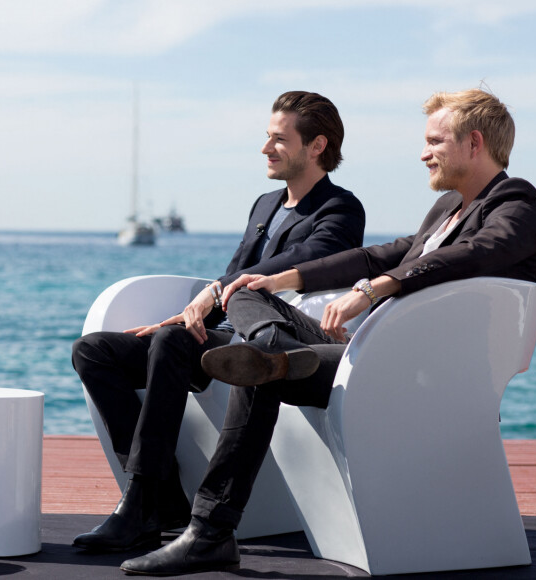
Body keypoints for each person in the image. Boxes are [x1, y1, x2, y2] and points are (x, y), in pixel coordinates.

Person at [119, 88, 536, 576]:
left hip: (420, 371)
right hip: (370, 354)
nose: (423, 153)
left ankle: (211, 530)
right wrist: (284, 279)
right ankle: (270, 349)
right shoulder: (449, 206)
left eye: (434, 141)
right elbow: (380, 253)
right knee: (243, 292)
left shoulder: (516, 201)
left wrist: (372, 290)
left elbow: (476, 253)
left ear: (474, 143)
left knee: (262, 368)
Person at [71, 91, 365, 553]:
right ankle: (160, 498)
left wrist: (210, 297)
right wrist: (198, 307)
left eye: (278, 139)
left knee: (170, 341)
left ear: (316, 146)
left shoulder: (341, 209)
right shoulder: (265, 204)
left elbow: (306, 259)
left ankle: (140, 503)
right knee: (94, 352)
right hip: (223, 332)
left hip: (274, 343)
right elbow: (232, 276)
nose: (266, 148)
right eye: (266, 138)